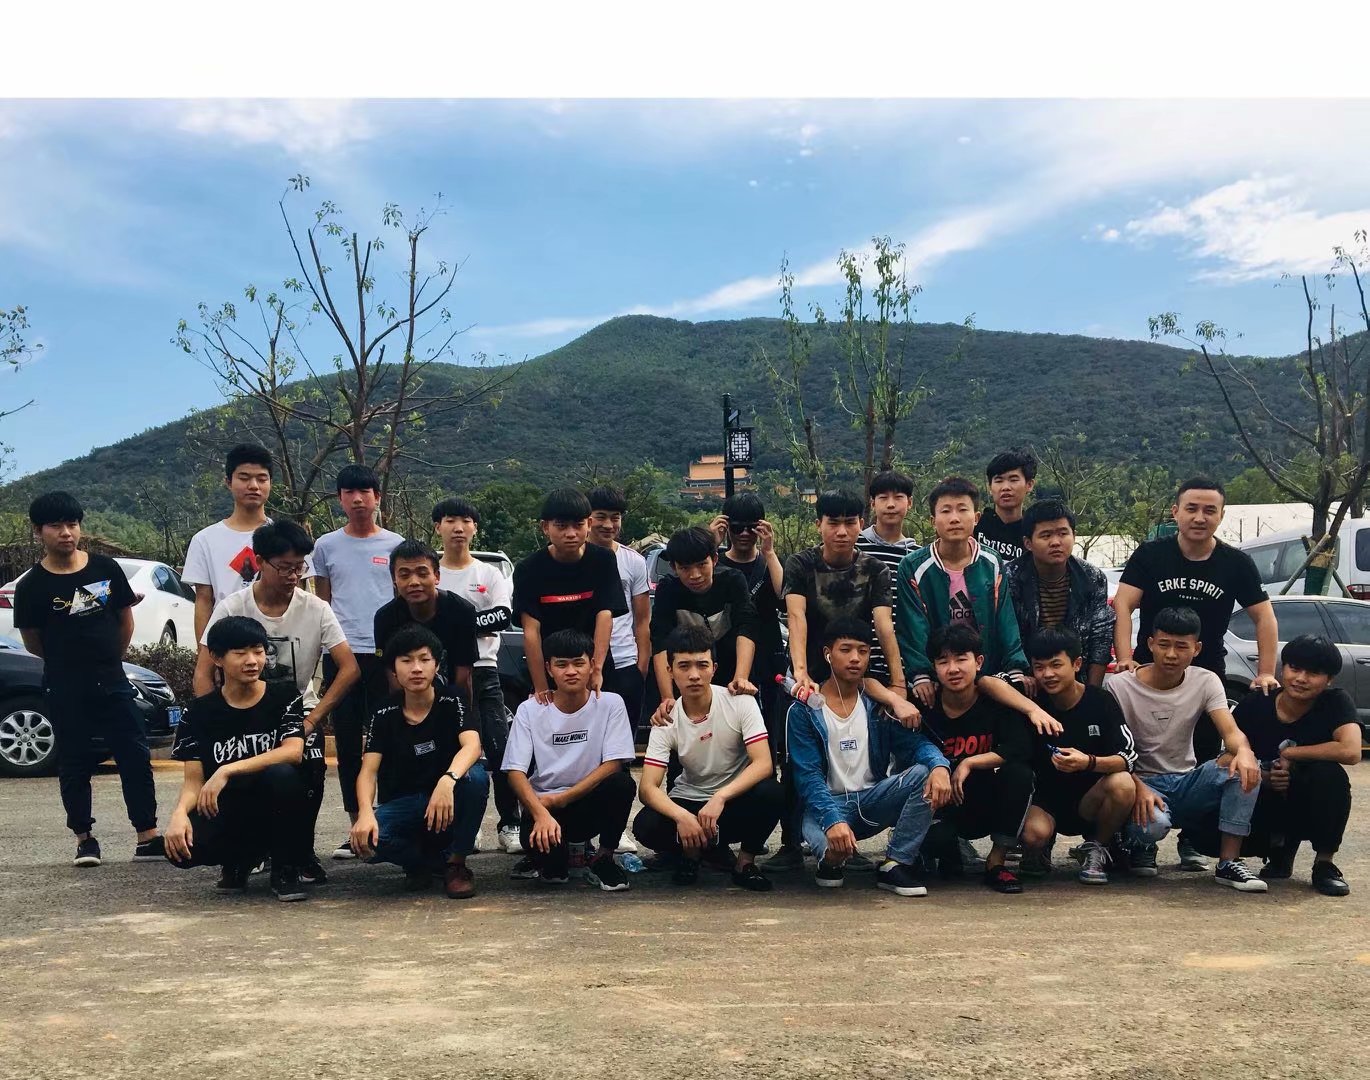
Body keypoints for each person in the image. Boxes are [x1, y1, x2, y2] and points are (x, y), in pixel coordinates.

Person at [1112, 476, 1277, 870]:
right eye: (1191, 508)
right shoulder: (1152, 554)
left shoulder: (1235, 563)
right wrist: (1125, 658)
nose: (1199, 517)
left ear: (1221, 515)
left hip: (1205, 668)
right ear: (1176, 512)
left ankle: (1192, 839)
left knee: (1202, 752)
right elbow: (1123, 605)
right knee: (1138, 748)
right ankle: (1141, 838)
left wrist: (1266, 672)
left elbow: (1264, 616)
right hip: (1149, 667)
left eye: (1209, 510)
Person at [194, 520, 360, 883]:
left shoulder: (315, 608)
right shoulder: (233, 606)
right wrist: (213, 719)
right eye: (284, 567)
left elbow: (349, 668)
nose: (292, 576)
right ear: (259, 561)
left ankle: (299, 852)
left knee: (306, 771)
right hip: (242, 713)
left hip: (298, 713)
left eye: (299, 567)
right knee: (238, 781)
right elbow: (204, 669)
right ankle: (242, 853)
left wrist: (313, 719)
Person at [14, 491, 163, 868]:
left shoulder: (105, 569)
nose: (66, 533)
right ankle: (85, 839)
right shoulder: (31, 586)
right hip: (64, 684)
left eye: (72, 524)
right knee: (75, 761)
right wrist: (69, 663)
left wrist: (108, 658)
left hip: (112, 680)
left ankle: (147, 836)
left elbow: (125, 620)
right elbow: (33, 641)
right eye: (56, 526)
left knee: (134, 755)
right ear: (38, 531)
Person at [1105, 606, 1268, 892]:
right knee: (1152, 826)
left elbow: (1230, 732)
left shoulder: (1205, 680)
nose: (1171, 654)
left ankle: (1229, 861)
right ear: (1150, 644)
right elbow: (1113, 749)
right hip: (1141, 782)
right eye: (1164, 644)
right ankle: (1138, 844)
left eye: (1181, 646)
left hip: (1187, 781)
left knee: (1242, 766)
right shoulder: (1119, 686)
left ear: (1197, 649)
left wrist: (1244, 753)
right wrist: (1137, 786)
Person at [787, 616, 950, 898]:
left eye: (863, 651)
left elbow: (915, 744)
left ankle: (896, 863)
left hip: (873, 800)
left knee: (924, 772)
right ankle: (830, 861)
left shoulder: (877, 706)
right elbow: (807, 776)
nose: (855, 658)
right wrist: (832, 820)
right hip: (826, 806)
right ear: (827, 654)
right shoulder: (803, 711)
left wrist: (939, 766)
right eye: (846, 649)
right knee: (831, 861)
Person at [164, 617, 311, 901]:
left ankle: (286, 868)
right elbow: (194, 781)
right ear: (217, 658)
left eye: (258, 651)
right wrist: (179, 814)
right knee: (180, 849)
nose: (252, 661)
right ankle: (238, 861)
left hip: (273, 801)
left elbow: (293, 751)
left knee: (282, 775)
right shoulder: (198, 712)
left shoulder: (284, 696)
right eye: (240, 653)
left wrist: (226, 770)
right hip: (229, 807)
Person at [633, 625, 782, 890]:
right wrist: (682, 817)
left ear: (714, 668)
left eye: (702, 665)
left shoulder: (740, 702)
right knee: (646, 825)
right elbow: (647, 788)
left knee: (772, 792)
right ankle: (691, 854)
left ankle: (745, 863)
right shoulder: (665, 719)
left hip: (731, 802)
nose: (694, 675)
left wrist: (720, 797)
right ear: (670, 671)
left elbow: (763, 764)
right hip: (689, 800)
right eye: (684, 666)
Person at [349, 625, 488, 899]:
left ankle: (456, 864)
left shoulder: (453, 699)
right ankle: (422, 863)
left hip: (449, 797)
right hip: (408, 803)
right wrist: (364, 813)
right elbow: (368, 771)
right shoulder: (383, 712)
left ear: (436, 665)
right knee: (367, 841)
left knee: (476, 778)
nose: (416, 668)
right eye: (406, 660)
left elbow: (472, 745)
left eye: (424, 659)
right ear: (393, 669)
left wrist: (447, 781)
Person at [311, 463, 404, 860]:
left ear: (377, 497)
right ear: (340, 499)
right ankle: (355, 827)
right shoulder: (325, 546)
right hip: (343, 654)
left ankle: (392, 822)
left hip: (386, 655)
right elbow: (323, 602)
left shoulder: (396, 544)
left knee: (392, 739)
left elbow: (403, 601)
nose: (358, 499)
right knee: (348, 743)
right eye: (349, 492)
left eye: (365, 491)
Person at [1220, 635, 1357, 895]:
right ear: (1283, 669)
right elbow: (1225, 758)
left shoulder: (1335, 702)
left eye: (1313, 673)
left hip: (1305, 795)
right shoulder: (1257, 702)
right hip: (1261, 797)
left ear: (1329, 680)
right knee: (1228, 791)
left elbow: (1350, 750)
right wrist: (1263, 776)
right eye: (1295, 668)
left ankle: (1324, 864)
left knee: (1331, 775)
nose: (1301, 678)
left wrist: (1292, 754)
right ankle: (1278, 849)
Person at [502, 629, 637, 891]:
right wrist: (541, 812)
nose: (571, 671)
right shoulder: (530, 710)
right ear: (549, 669)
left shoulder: (610, 703)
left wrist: (564, 798)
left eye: (578, 663)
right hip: (545, 806)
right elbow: (515, 772)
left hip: (587, 801)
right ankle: (554, 859)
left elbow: (614, 763)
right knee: (554, 873)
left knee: (621, 783)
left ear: (592, 665)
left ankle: (603, 857)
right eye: (562, 665)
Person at [433, 497, 522, 855]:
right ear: (438, 526)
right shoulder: (429, 571)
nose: (458, 527)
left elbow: (501, 616)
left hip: (485, 672)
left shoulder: (489, 574)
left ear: (475, 528)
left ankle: (510, 823)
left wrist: (454, 626)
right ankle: (462, 827)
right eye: (450, 520)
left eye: (465, 521)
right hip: (438, 675)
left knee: (500, 750)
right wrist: (468, 626)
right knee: (449, 752)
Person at [918, 625, 1036, 893]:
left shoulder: (995, 701)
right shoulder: (926, 705)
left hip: (986, 800)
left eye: (961, 659)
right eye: (943, 661)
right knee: (937, 839)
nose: (953, 669)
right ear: (934, 667)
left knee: (1019, 773)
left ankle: (997, 862)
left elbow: (1019, 747)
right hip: (943, 803)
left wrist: (969, 763)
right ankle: (948, 853)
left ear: (978, 662)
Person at [1020, 627, 1139, 885]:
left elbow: (1128, 757)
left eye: (1056, 665)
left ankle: (1097, 846)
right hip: (1045, 800)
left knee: (1123, 783)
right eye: (1039, 667)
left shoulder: (1100, 700)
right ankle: (1038, 848)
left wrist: (1088, 762)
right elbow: (989, 683)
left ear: (1076, 664)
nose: (1047, 674)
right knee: (1033, 834)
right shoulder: (1031, 701)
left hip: (1090, 800)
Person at [897, 476, 1028, 708]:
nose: (954, 518)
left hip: (987, 671)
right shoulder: (914, 566)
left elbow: (1005, 617)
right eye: (946, 511)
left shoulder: (991, 561)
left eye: (962, 509)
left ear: (976, 518)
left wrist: (1015, 667)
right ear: (933, 520)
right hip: (939, 673)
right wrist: (921, 675)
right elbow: (913, 625)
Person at [710, 493, 791, 857]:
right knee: (722, 744)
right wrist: (710, 545)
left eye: (751, 528)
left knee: (767, 742)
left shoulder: (767, 562)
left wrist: (770, 552)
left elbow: (785, 596)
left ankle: (756, 836)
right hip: (725, 661)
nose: (744, 535)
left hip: (767, 660)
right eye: (737, 527)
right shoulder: (714, 563)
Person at [782, 489, 903, 697]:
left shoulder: (875, 570)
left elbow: (883, 625)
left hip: (857, 675)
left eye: (849, 523)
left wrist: (898, 682)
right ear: (819, 525)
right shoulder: (800, 564)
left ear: (861, 524)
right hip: (809, 671)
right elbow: (795, 616)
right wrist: (800, 671)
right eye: (833, 523)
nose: (842, 532)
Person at [512, 488, 628, 703]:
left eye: (578, 525)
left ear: (589, 524)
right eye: (561, 526)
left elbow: (605, 615)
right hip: (552, 669)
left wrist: (596, 669)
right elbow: (531, 631)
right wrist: (541, 686)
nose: (571, 533)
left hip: (595, 666)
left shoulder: (603, 560)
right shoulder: (528, 569)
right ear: (545, 527)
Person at [649, 525, 760, 719]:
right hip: (687, 674)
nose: (695, 575)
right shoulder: (668, 589)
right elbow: (660, 640)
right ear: (674, 567)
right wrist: (667, 697)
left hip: (730, 667)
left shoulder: (733, 580)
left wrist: (741, 678)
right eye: (685, 568)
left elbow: (746, 627)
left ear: (714, 559)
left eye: (702, 565)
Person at [1003, 499, 1114, 686]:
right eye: (1046, 535)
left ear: (1074, 536)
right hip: (1026, 678)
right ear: (1028, 543)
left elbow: (1100, 638)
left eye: (1063, 533)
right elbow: (1007, 637)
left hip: (1076, 678)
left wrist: (1091, 692)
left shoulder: (1092, 578)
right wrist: (1018, 677)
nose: (1056, 542)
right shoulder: (1009, 577)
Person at [182, 443, 275, 641]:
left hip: (277, 640)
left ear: (270, 483)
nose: (254, 486)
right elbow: (204, 601)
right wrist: (204, 653)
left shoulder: (285, 537)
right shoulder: (204, 540)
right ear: (228, 482)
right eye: (244, 478)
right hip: (226, 644)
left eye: (261, 479)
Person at [374, 539, 479, 698]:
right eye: (404, 575)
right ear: (394, 580)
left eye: (422, 574)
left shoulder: (462, 612)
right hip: (404, 700)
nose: (414, 582)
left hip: (449, 698)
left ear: (436, 576)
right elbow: (391, 677)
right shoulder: (385, 618)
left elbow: (463, 678)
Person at [587, 485, 651, 743]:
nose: (608, 525)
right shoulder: (574, 557)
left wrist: (641, 666)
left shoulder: (633, 561)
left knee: (623, 741)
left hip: (625, 661)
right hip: (583, 662)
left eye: (615, 518)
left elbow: (642, 619)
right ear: (588, 519)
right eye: (600, 517)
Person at [855, 469, 920, 684]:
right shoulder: (855, 546)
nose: (891, 505)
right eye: (883, 498)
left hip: (903, 661)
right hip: (856, 658)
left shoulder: (917, 556)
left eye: (898, 497)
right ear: (873, 503)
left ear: (910, 502)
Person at [975, 447, 1037, 563]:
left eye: (1013, 480)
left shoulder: (1033, 532)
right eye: (999, 481)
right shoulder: (975, 526)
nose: (1005, 487)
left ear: (1029, 484)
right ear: (989, 487)